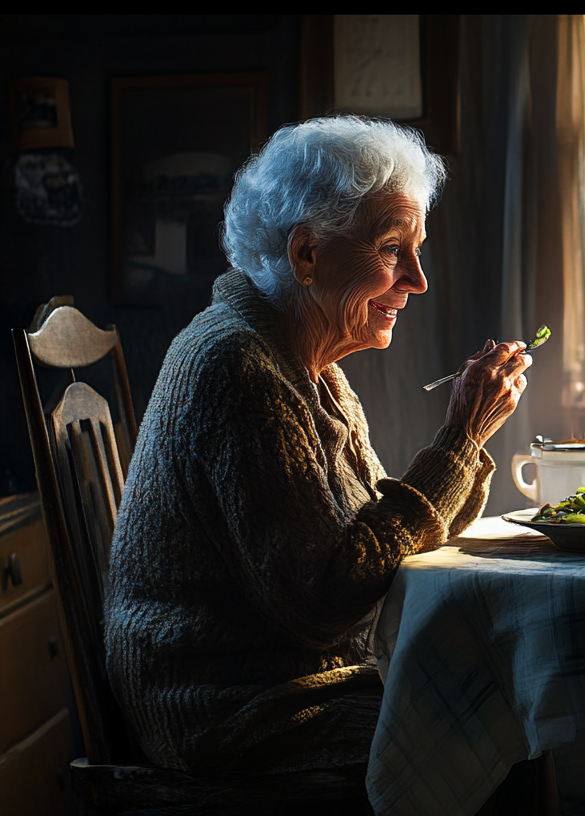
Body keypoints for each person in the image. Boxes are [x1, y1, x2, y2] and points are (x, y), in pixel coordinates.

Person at [105, 117, 550, 807]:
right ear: (306, 253)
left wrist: (467, 440)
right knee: (496, 738)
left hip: (292, 684)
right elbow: (325, 598)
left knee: (504, 706)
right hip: (230, 712)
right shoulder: (239, 366)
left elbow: (379, 539)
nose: (418, 281)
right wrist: (459, 439)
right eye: (392, 249)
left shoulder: (307, 362)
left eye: (417, 251)